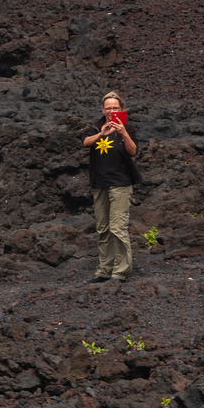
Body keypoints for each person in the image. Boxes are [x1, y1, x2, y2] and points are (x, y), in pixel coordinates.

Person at [82, 90, 142, 282]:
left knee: (118, 227)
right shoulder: (95, 127)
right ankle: (104, 270)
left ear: (121, 109)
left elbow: (133, 151)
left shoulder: (128, 128)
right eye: (108, 108)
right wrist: (102, 133)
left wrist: (122, 132)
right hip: (100, 183)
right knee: (103, 228)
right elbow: (85, 142)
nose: (111, 111)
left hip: (120, 183)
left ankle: (121, 271)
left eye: (115, 108)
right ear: (102, 109)